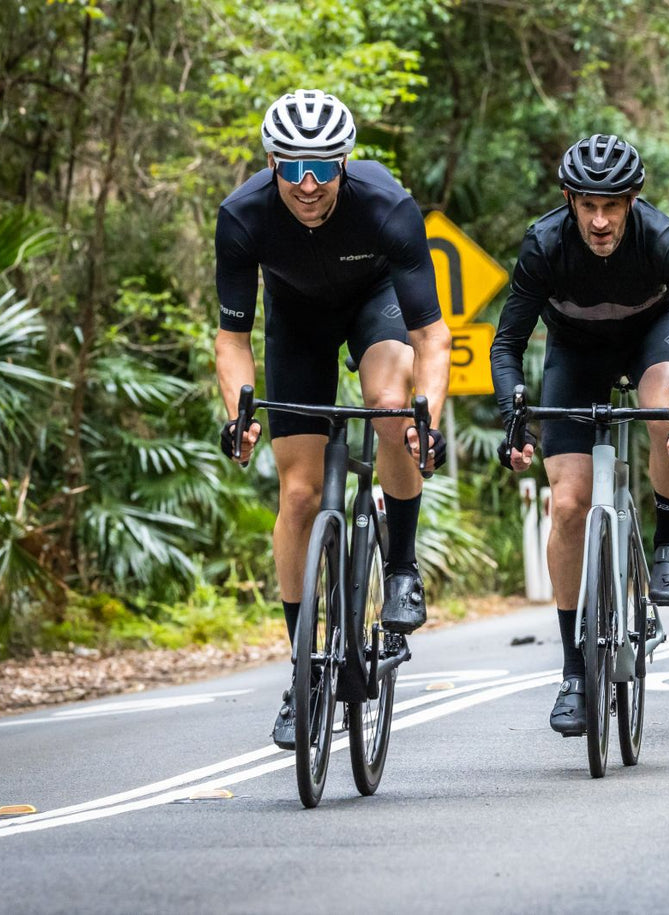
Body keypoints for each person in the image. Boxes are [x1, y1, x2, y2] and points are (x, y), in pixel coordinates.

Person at [213, 90, 452, 747]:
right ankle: (304, 674)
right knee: (298, 494)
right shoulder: (242, 216)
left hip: (376, 302)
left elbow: (431, 335)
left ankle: (400, 568)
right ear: (271, 163)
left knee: (388, 406)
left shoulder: (386, 206)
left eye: (322, 167)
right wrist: (239, 412)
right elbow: (231, 339)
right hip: (296, 320)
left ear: (344, 163)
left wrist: (427, 419)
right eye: (292, 168)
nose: (308, 184)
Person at [491, 134, 669, 736]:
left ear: (632, 201)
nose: (600, 221)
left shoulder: (662, 239)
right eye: (588, 206)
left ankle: (668, 541)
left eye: (613, 206)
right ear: (569, 200)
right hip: (575, 352)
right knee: (568, 504)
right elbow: (507, 344)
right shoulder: (545, 244)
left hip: (654, 337)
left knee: (667, 405)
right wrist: (514, 417)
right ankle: (574, 671)